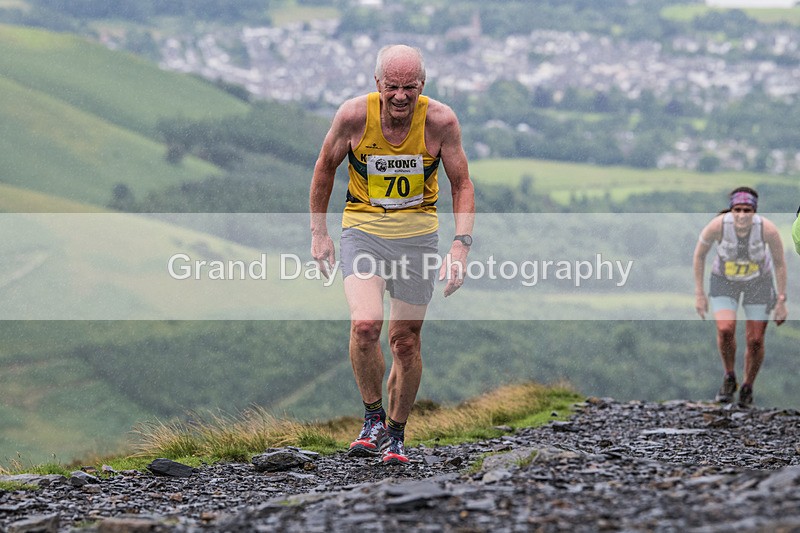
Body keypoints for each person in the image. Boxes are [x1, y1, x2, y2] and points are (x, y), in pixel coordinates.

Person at [309, 45, 475, 465]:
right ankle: (373, 420)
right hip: (363, 232)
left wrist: (460, 246)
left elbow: (461, 184)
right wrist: (319, 233)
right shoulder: (353, 117)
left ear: (423, 85)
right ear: (377, 83)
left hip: (417, 240)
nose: (401, 96)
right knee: (365, 325)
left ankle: (396, 434)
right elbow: (325, 168)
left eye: (410, 88)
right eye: (393, 87)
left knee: (405, 341)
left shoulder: (441, 121)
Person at [693, 187, 787, 408]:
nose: (742, 215)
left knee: (755, 339)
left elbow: (780, 263)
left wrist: (781, 300)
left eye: (747, 210)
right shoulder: (717, 226)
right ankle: (729, 377)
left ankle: (747, 387)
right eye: (737, 210)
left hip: (759, 283)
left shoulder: (768, 230)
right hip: (724, 281)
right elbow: (699, 256)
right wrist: (699, 293)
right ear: (731, 210)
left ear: (754, 211)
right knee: (726, 329)